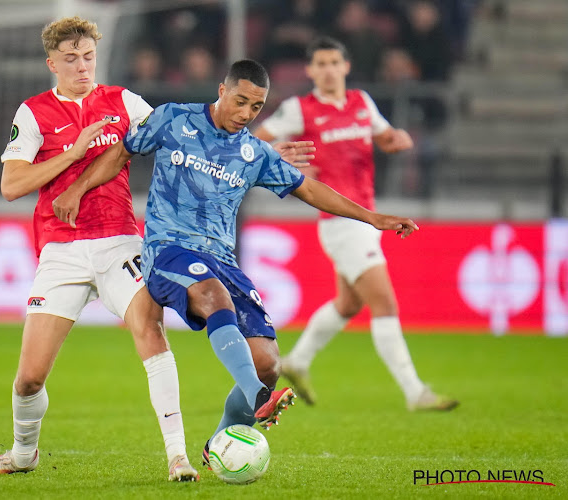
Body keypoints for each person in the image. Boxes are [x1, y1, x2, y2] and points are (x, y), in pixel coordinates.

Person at [51, 59, 420, 468]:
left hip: (222, 259)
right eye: (240, 101)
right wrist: (78, 189)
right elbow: (122, 150)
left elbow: (310, 189)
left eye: (256, 107)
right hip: (169, 249)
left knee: (267, 363)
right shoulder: (174, 118)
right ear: (222, 90)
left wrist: (373, 217)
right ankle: (260, 398)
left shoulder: (254, 152)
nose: (245, 114)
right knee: (214, 297)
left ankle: (219, 445)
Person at [0, 17, 198, 482]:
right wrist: (71, 154)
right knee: (30, 378)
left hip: (119, 243)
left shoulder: (123, 102)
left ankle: (178, 456)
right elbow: (12, 185)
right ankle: (22, 452)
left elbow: (177, 137)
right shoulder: (33, 113)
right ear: (52, 62)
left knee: (150, 330)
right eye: (71, 59)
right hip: (61, 251)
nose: (82, 66)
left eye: (88, 56)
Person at [253, 36, 458, 411]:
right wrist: (286, 166)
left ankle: (297, 361)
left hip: (365, 217)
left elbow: (385, 136)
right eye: (321, 63)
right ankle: (415, 392)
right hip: (340, 220)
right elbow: (254, 142)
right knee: (385, 303)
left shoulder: (362, 103)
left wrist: (398, 139)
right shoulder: (301, 109)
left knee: (348, 304)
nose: (329, 69)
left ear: (345, 67)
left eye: (334, 62)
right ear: (311, 70)